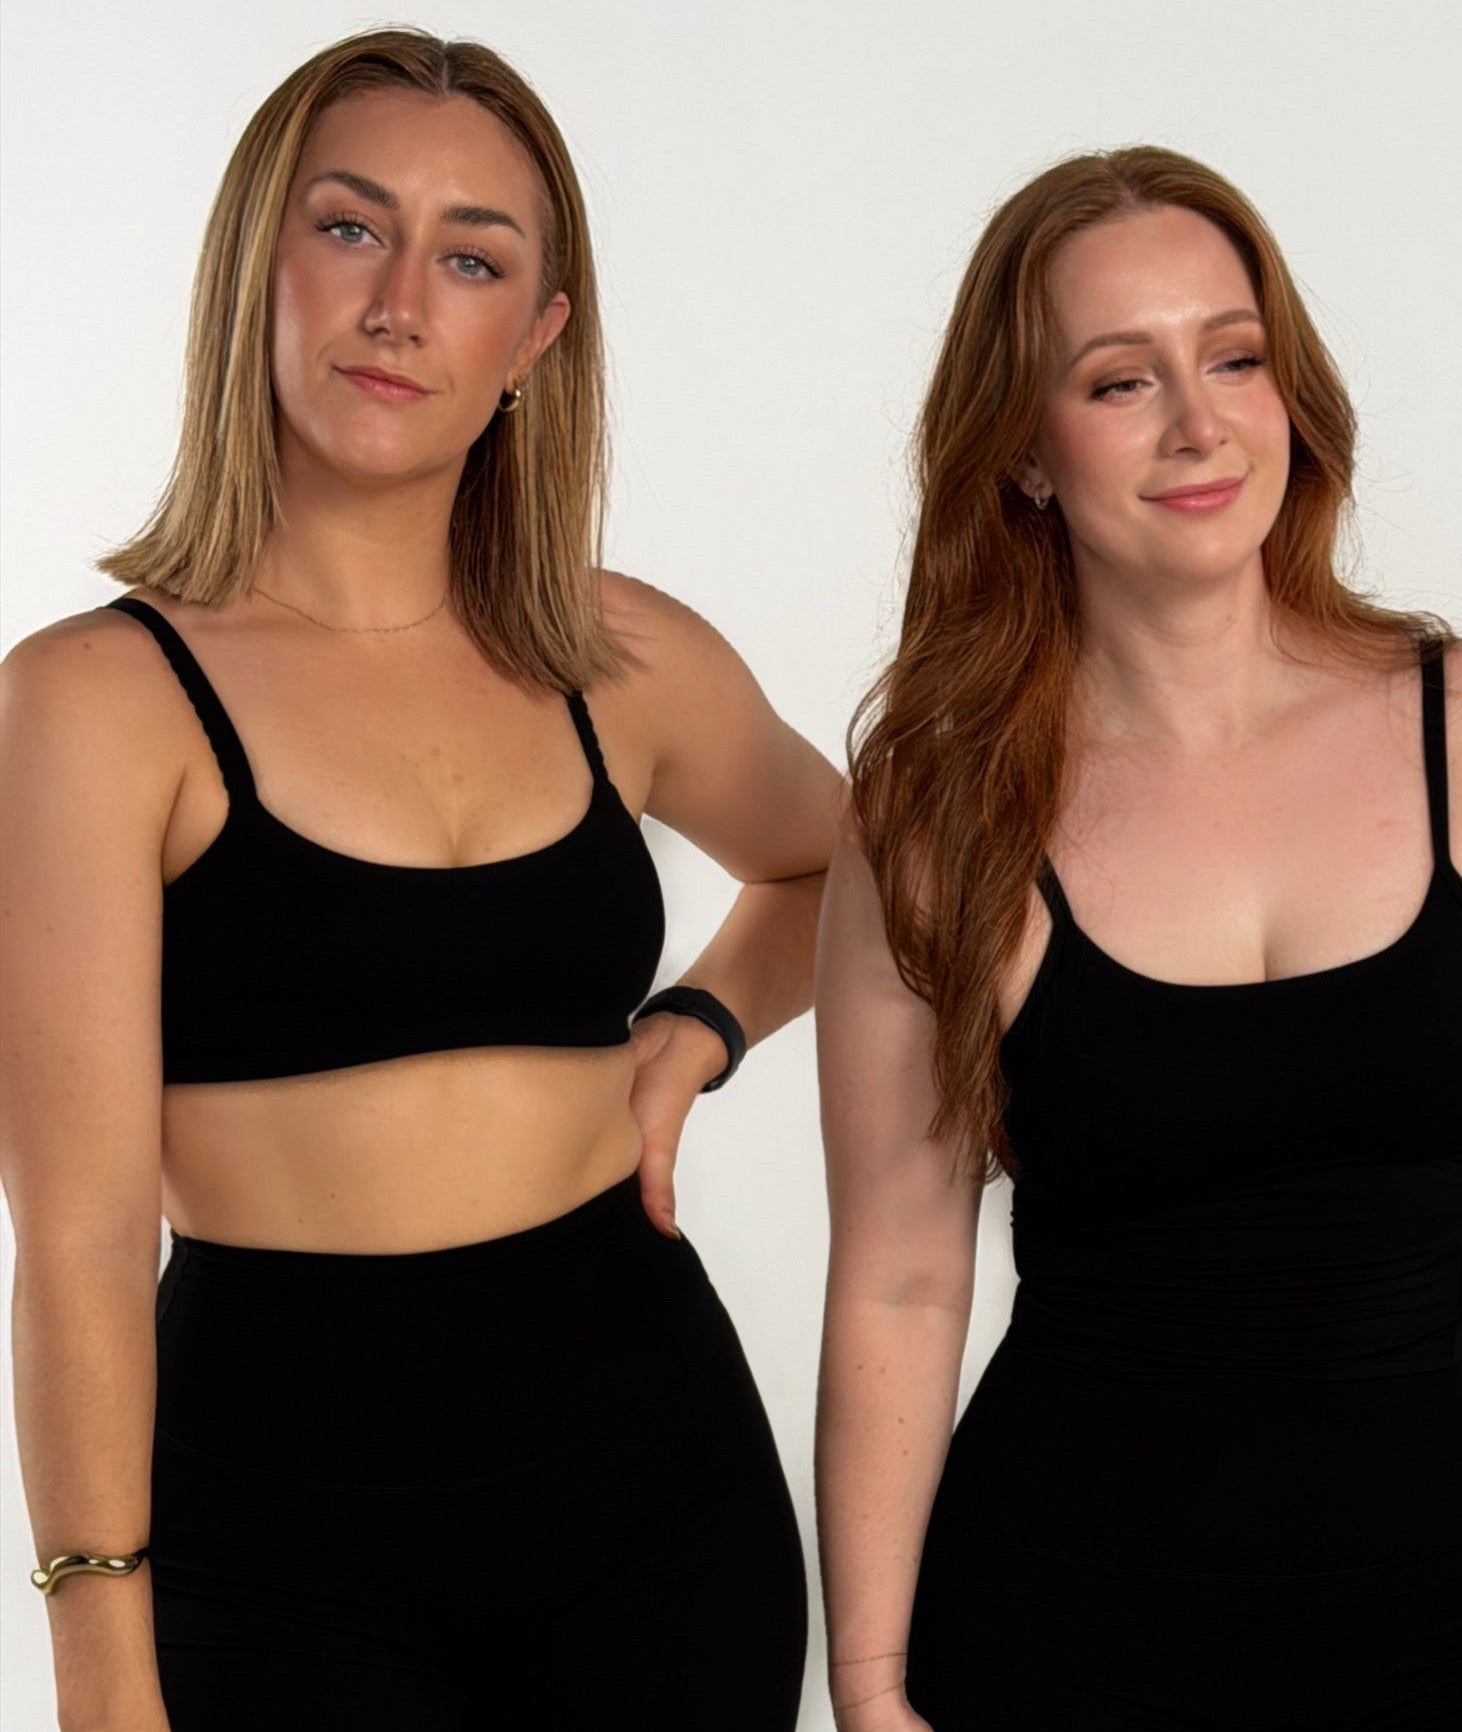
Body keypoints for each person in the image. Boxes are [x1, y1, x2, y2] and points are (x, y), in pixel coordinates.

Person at [0, 30, 838, 1728]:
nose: (399, 302)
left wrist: (702, 1021)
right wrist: (100, 1656)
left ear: (532, 338)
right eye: (348, 227)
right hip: (280, 1543)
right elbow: (77, 1230)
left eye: (472, 258)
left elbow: (861, 860)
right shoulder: (92, 703)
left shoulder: (621, 655)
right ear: (259, 266)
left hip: (654, 1498)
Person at [814, 147, 1462, 1731]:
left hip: (1443, 1622)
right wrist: (870, 1691)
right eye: (1120, 380)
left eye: (1234, 356)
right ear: (1023, 457)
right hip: (1053, 1627)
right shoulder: (937, 810)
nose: (1199, 424)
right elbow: (899, 1283)